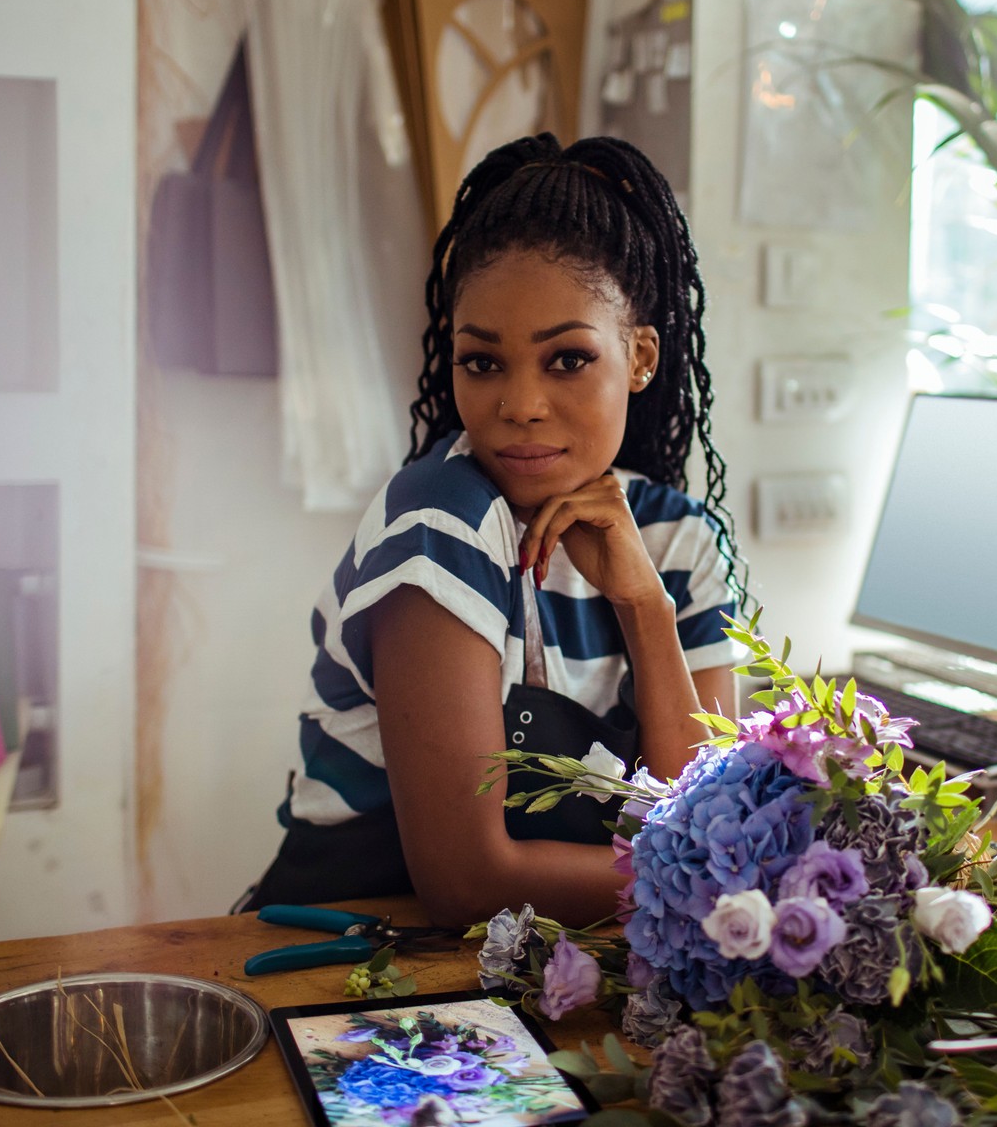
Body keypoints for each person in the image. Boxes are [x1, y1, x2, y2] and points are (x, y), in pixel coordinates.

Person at [243, 134, 744, 927]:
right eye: (482, 362)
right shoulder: (441, 520)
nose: (519, 406)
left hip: (551, 955)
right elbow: (466, 882)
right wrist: (723, 893)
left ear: (640, 357)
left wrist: (644, 606)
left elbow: (703, 815)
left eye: (568, 360)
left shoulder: (679, 539)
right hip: (358, 956)